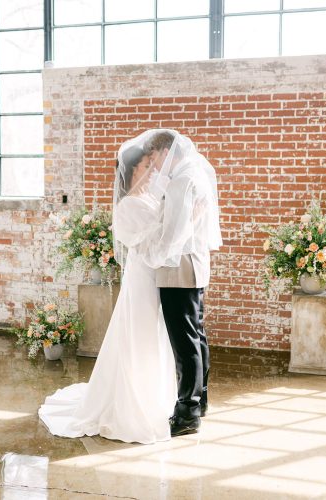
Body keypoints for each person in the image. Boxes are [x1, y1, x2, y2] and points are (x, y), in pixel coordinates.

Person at [38, 144, 177, 444]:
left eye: (149, 166)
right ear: (130, 172)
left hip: (155, 278)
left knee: (152, 336)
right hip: (142, 278)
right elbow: (148, 246)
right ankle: (132, 404)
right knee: (139, 337)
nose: (150, 171)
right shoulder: (128, 205)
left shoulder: (148, 197)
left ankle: (153, 394)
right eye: (144, 167)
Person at [140, 130, 222, 437]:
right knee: (197, 335)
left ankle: (187, 412)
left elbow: (173, 235)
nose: (155, 163)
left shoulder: (181, 180)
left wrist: (151, 257)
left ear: (166, 151)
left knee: (184, 341)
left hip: (177, 267)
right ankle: (200, 400)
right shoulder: (194, 172)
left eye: (156, 157)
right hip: (194, 263)